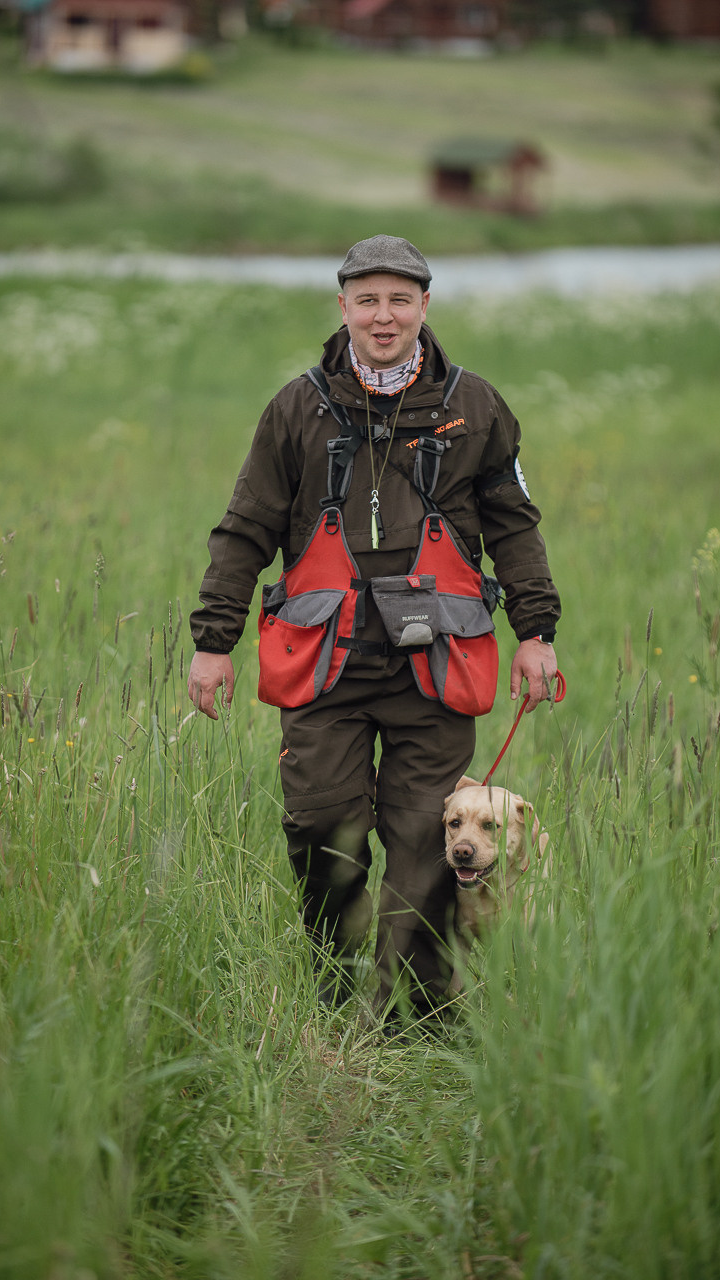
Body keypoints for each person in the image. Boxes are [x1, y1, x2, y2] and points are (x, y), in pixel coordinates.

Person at [188, 234, 560, 1026]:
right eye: (367, 299)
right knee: (323, 826)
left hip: (437, 664)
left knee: (429, 845)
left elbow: (515, 527)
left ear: (424, 306)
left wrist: (536, 628)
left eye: (400, 299)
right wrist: (213, 641)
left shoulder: (477, 406)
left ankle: (412, 1017)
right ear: (344, 307)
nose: (383, 316)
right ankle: (334, 976)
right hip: (325, 663)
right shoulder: (295, 408)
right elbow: (246, 529)